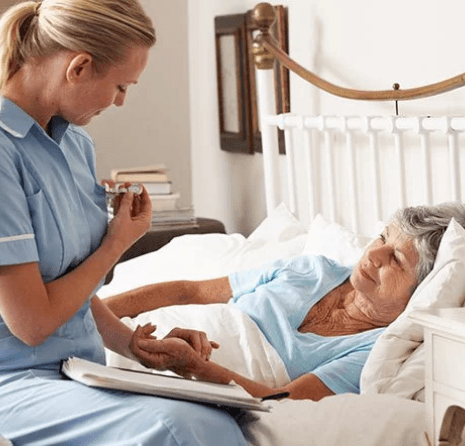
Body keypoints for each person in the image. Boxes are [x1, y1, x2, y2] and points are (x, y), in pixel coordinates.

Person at [0, 1, 246, 445]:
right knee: (182, 429)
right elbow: (33, 322)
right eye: (120, 86)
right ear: (79, 67)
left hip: (81, 372)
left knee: (223, 414)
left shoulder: (76, 145)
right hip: (15, 383)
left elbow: (67, 287)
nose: (120, 101)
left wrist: (134, 345)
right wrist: (116, 244)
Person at [105, 202, 465, 400]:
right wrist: (98, 313)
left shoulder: (374, 350)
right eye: (382, 238)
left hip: (188, 368)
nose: (374, 256)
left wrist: (195, 367)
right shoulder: (312, 268)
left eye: (398, 260)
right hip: (151, 329)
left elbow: (282, 400)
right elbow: (190, 292)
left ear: (424, 288)